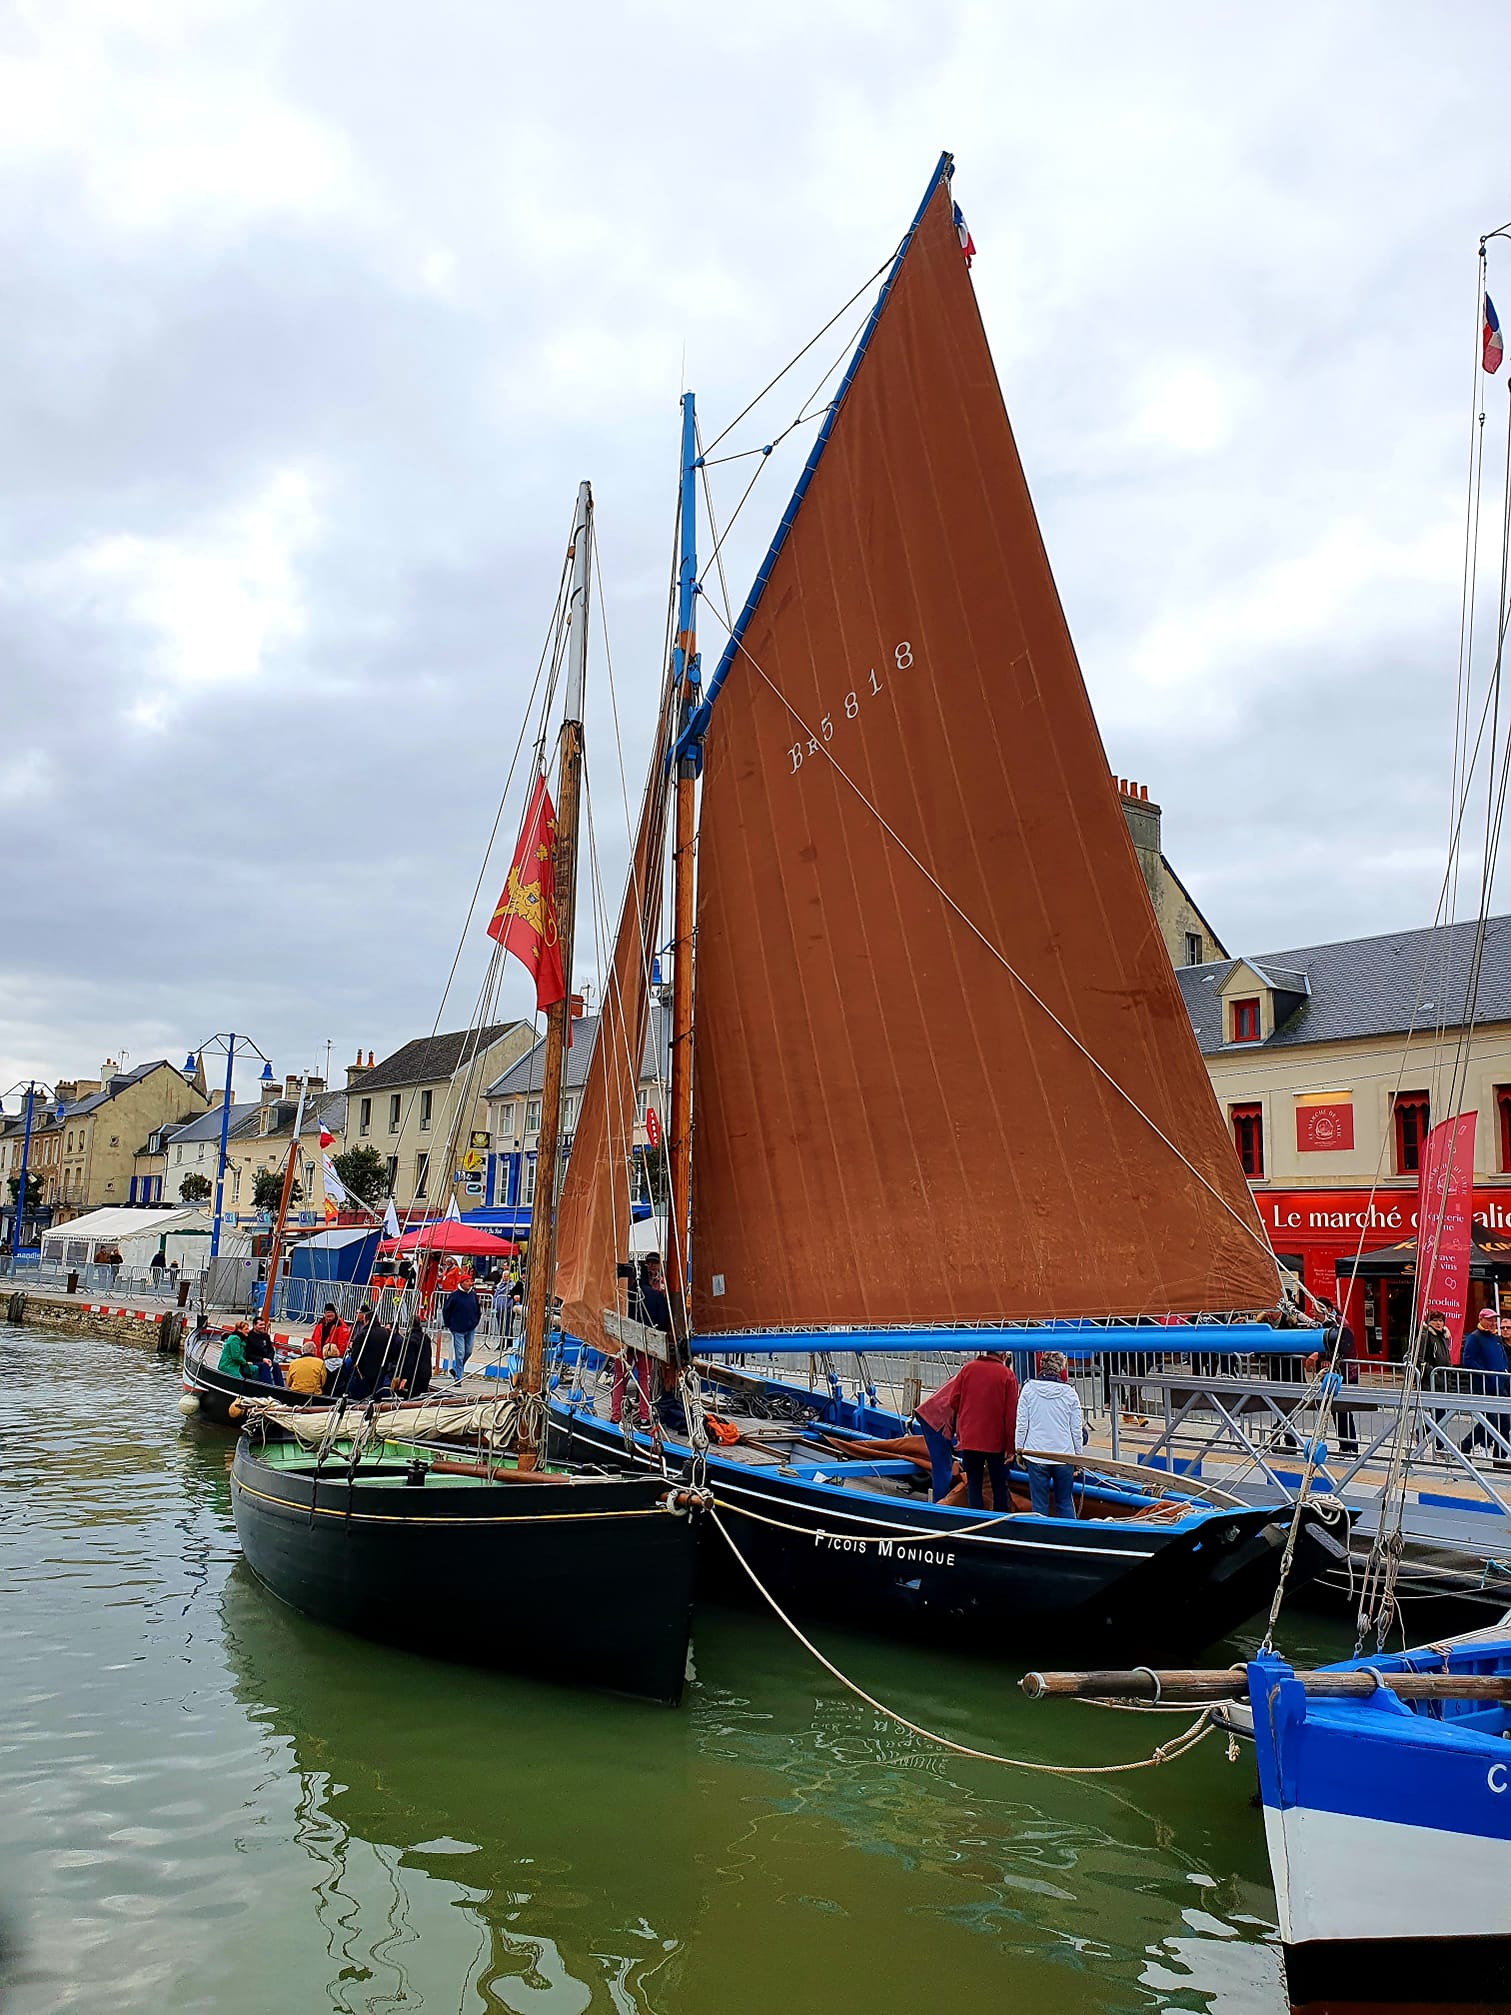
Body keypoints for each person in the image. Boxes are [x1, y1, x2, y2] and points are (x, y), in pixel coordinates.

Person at [1015, 1350, 1085, 1519]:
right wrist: (1078, 1457)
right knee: (1065, 1501)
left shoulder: (1029, 1389)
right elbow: (1076, 1430)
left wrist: (1019, 1449)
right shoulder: (1070, 1393)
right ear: (1061, 1368)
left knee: (1039, 1504)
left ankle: (1040, 1538)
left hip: (1036, 1454)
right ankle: (1071, 1536)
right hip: (1063, 1455)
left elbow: (1022, 1424)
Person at [950, 1349, 1019, 1511]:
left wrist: (968, 1413)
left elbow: (954, 1399)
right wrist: (1010, 1448)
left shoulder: (967, 1368)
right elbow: (1011, 1416)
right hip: (996, 1440)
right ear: (1003, 1356)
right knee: (999, 1485)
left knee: (973, 1483)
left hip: (970, 1437)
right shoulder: (1007, 1375)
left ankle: (975, 1519)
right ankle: (999, 1521)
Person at [442, 1279, 481, 1382]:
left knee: (468, 1351)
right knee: (460, 1353)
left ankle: (456, 1369)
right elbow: (446, 1310)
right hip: (458, 1329)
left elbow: (478, 1309)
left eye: (470, 1281)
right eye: (467, 1281)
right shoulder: (454, 1296)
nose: (469, 1283)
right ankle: (458, 1377)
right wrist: (449, 1324)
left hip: (470, 1328)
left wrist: (475, 1322)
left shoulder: (473, 1295)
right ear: (461, 1283)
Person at [392, 1316, 433, 1399]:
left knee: (412, 1397)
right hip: (426, 1372)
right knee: (423, 1397)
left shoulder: (411, 1340)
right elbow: (429, 1354)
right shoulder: (426, 1337)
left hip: (416, 1375)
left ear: (410, 1325)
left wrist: (405, 1377)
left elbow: (410, 1360)